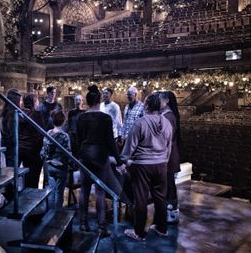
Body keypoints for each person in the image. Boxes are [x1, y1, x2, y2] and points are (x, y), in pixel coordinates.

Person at [118, 93, 173, 241]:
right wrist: (164, 161)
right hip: (161, 165)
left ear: (147, 105)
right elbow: (169, 146)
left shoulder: (140, 123)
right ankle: (162, 229)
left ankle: (139, 232)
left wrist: (123, 161)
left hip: (142, 166)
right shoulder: (167, 123)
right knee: (161, 198)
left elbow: (129, 147)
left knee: (140, 199)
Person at [76, 85, 124, 236]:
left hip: (84, 157)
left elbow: (78, 140)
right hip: (100, 158)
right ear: (99, 101)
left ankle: (83, 223)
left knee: (83, 190)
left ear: (88, 101)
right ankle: (101, 227)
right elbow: (110, 141)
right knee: (100, 191)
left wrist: (78, 155)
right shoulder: (105, 118)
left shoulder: (80, 117)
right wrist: (119, 161)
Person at [159, 91, 181, 224]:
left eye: (160, 100)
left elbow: (166, 138)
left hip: (168, 155)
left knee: (169, 186)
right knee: (167, 184)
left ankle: (171, 213)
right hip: (168, 154)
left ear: (166, 101)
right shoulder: (167, 116)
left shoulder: (168, 117)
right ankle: (168, 212)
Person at [40, 110, 71, 209]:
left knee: (51, 191)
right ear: (63, 121)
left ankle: (49, 214)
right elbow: (68, 153)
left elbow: (43, 152)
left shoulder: (48, 133)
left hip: (49, 166)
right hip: (61, 167)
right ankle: (57, 215)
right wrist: (71, 164)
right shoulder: (65, 136)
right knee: (59, 192)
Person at [18, 93, 45, 188]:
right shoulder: (37, 114)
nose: (38, 103)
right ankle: (32, 197)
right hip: (33, 150)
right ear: (33, 102)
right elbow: (41, 133)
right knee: (33, 177)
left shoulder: (19, 113)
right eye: (37, 100)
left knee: (26, 176)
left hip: (21, 149)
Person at [0, 88, 22, 166]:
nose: (21, 102)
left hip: (6, 145)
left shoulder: (5, 111)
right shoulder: (12, 113)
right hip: (11, 147)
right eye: (20, 100)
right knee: (12, 168)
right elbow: (13, 133)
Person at [118, 86, 144, 150]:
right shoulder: (127, 106)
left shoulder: (142, 107)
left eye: (130, 95)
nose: (128, 97)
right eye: (127, 95)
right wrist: (121, 135)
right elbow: (125, 122)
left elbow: (144, 124)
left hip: (136, 139)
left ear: (135, 94)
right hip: (126, 138)